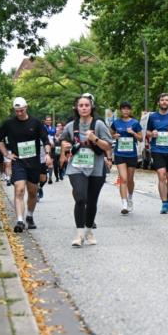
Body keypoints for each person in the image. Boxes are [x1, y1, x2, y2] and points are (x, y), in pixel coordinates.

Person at [60, 94, 113, 246]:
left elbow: (108, 145)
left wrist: (94, 139)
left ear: (91, 107)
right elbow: (63, 139)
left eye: (86, 105)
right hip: (76, 167)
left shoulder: (99, 125)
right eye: (80, 105)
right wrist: (65, 146)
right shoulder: (71, 126)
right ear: (76, 108)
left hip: (96, 167)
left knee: (91, 201)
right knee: (80, 197)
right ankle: (79, 234)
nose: (83, 108)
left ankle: (89, 230)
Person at [0, 97, 52, 233]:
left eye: (21, 110)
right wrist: (7, 154)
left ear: (26, 107)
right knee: (19, 189)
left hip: (34, 162)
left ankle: (29, 216)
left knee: (32, 192)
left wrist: (48, 155)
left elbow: (45, 140)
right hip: (18, 162)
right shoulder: (9, 124)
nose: (19, 113)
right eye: (16, 111)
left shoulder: (36, 122)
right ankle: (20, 220)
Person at [110, 101, 144, 214]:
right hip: (119, 154)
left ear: (130, 110)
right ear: (120, 110)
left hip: (132, 154)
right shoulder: (116, 123)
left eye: (127, 109)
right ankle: (124, 204)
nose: (125, 111)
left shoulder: (135, 123)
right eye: (123, 109)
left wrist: (133, 133)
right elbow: (110, 134)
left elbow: (141, 138)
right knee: (123, 179)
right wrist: (114, 136)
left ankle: (130, 197)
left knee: (130, 179)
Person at [44, 116, 57, 184]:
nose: (48, 121)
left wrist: (55, 141)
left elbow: (54, 136)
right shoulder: (43, 128)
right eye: (47, 120)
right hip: (45, 147)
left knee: (51, 162)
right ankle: (44, 176)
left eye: (50, 120)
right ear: (45, 121)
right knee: (45, 162)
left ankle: (50, 177)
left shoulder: (53, 128)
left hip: (52, 147)